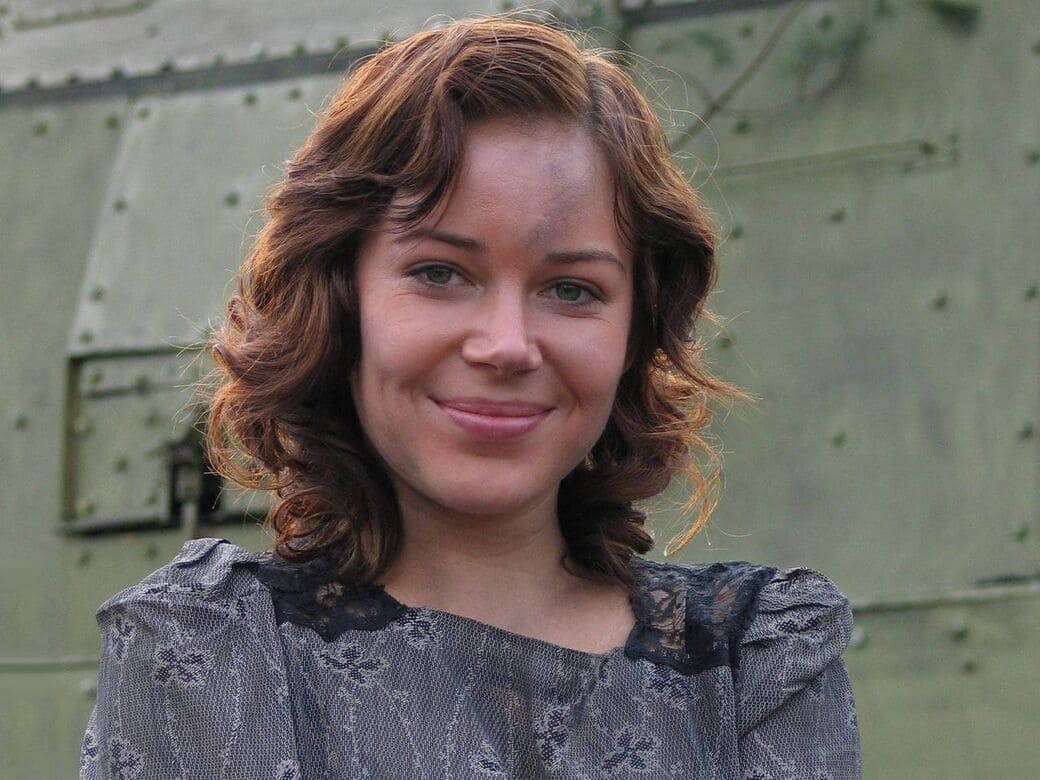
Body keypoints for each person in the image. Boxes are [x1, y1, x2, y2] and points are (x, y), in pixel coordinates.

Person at [80, 15, 860, 779]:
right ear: (340, 302)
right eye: (440, 273)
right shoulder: (211, 652)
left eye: (571, 288)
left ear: (635, 330)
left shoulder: (754, 664)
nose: (507, 345)